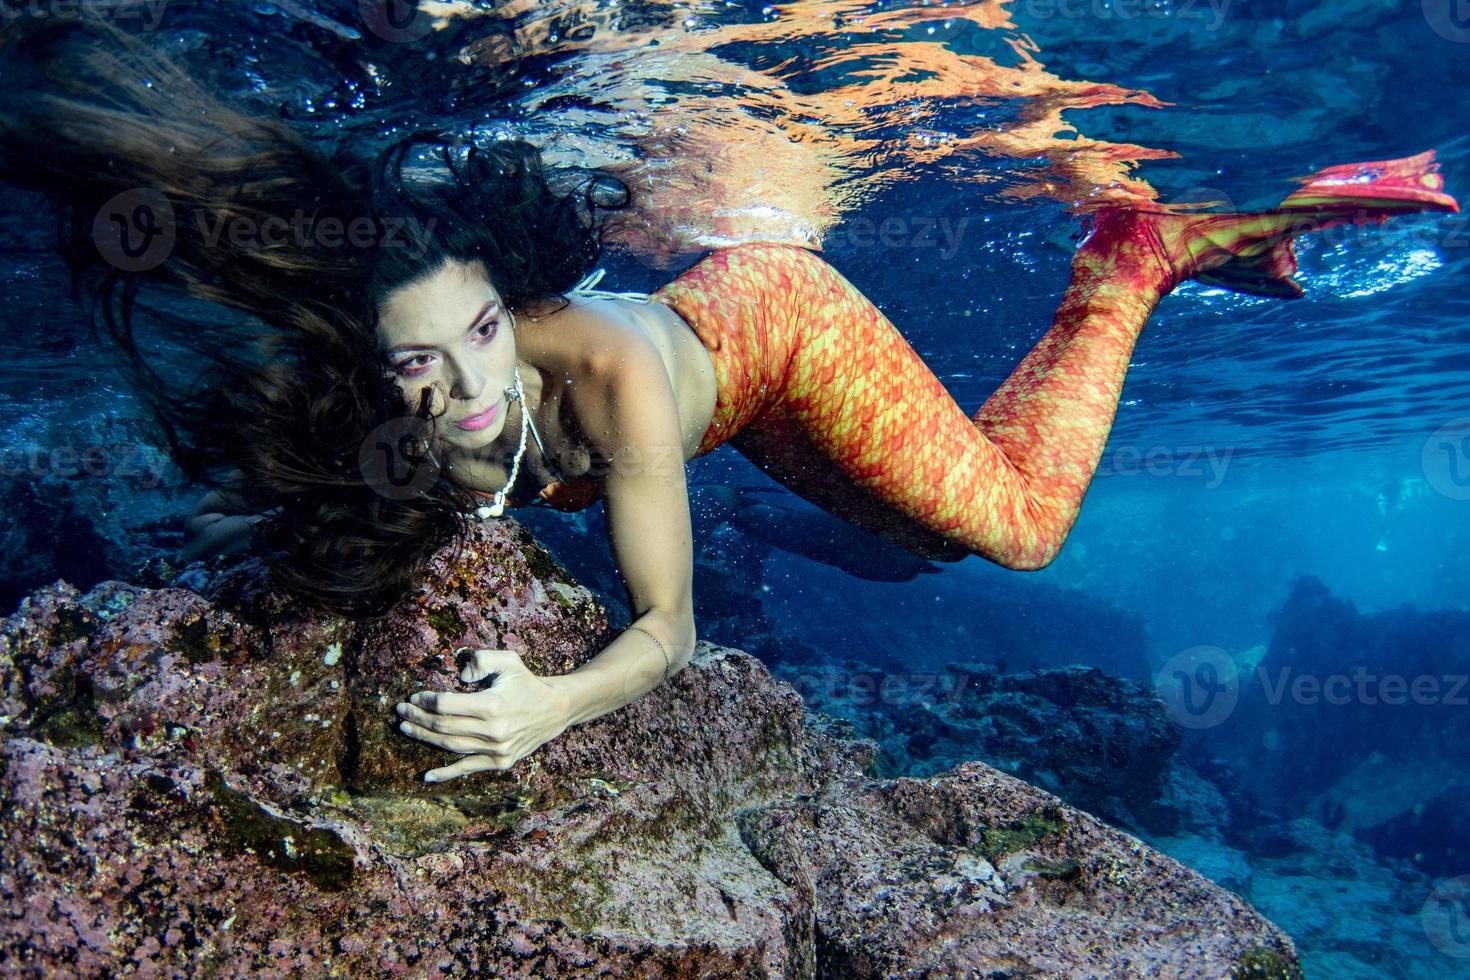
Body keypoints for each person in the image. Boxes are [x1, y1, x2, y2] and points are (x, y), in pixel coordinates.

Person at [1, 19, 1457, 782]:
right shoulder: (397, 366)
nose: (449, 392)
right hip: (735, 391)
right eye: (412, 365)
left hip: (775, 335)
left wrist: (545, 708)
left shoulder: (616, 381)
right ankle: (1138, 258)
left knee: (1013, 531)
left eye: (473, 344)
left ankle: (1131, 256)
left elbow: (668, 634)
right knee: (932, 537)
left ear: (509, 313)